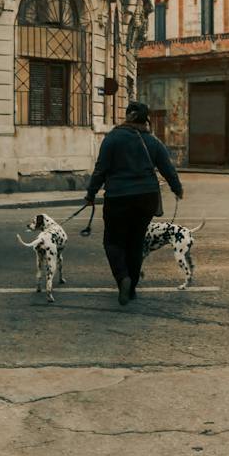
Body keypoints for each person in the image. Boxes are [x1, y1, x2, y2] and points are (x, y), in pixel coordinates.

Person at [83, 100, 183, 306]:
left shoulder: (112, 139)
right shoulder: (152, 142)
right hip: (146, 198)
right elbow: (167, 168)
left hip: (118, 197)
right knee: (135, 242)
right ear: (145, 120)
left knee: (112, 241)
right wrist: (177, 188)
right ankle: (133, 288)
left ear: (127, 116)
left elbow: (101, 169)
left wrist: (91, 193)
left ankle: (123, 279)